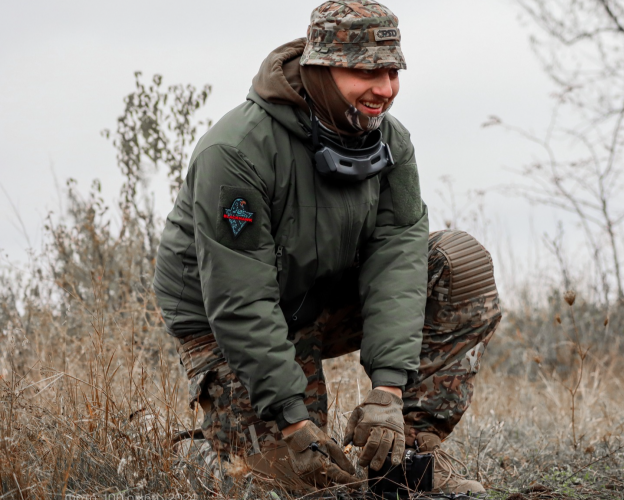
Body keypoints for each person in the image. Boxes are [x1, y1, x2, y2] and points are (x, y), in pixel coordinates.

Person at [153, 0, 501, 494]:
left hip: (323, 296)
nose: (384, 89)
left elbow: (399, 262)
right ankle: (249, 430)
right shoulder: (235, 152)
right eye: (366, 71)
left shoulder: (392, 142)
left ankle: (407, 463)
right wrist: (293, 423)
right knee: (310, 483)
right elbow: (240, 300)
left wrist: (387, 395)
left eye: (392, 71)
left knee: (456, 262)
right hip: (228, 322)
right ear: (320, 68)